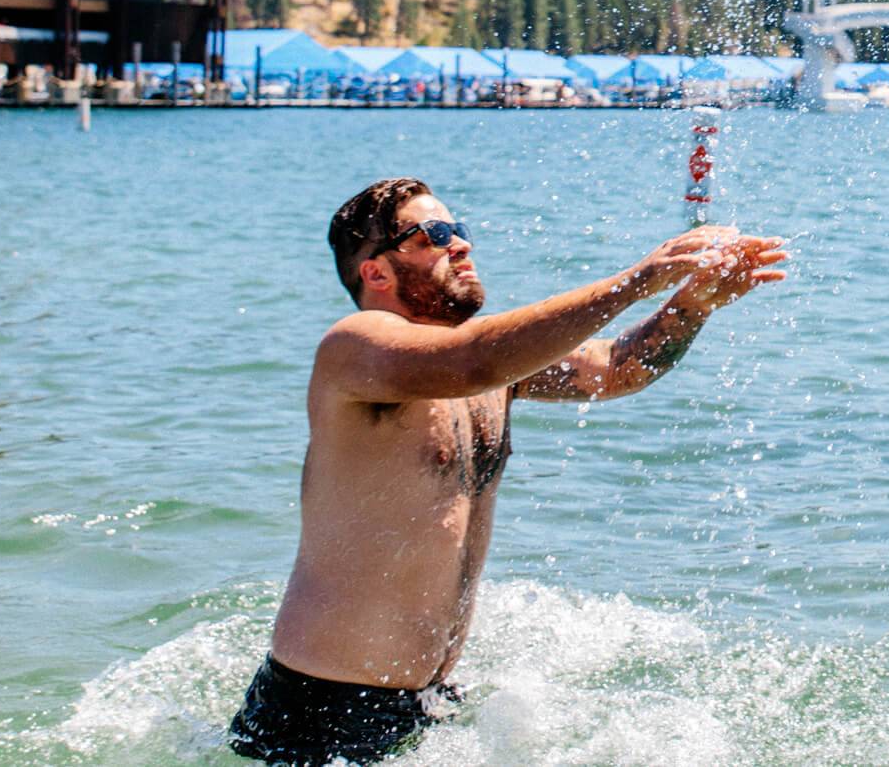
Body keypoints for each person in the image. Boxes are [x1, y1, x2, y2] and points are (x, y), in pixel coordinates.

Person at [227, 177, 788, 764]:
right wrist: (636, 280)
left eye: (460, 230)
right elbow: (474, 360)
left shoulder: (491, 368)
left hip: (428, 700)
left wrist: (690, 305)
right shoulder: (357, 349)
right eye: (435, 235)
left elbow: (617, 368)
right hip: (325, 711)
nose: (461, 244)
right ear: (377, 272)